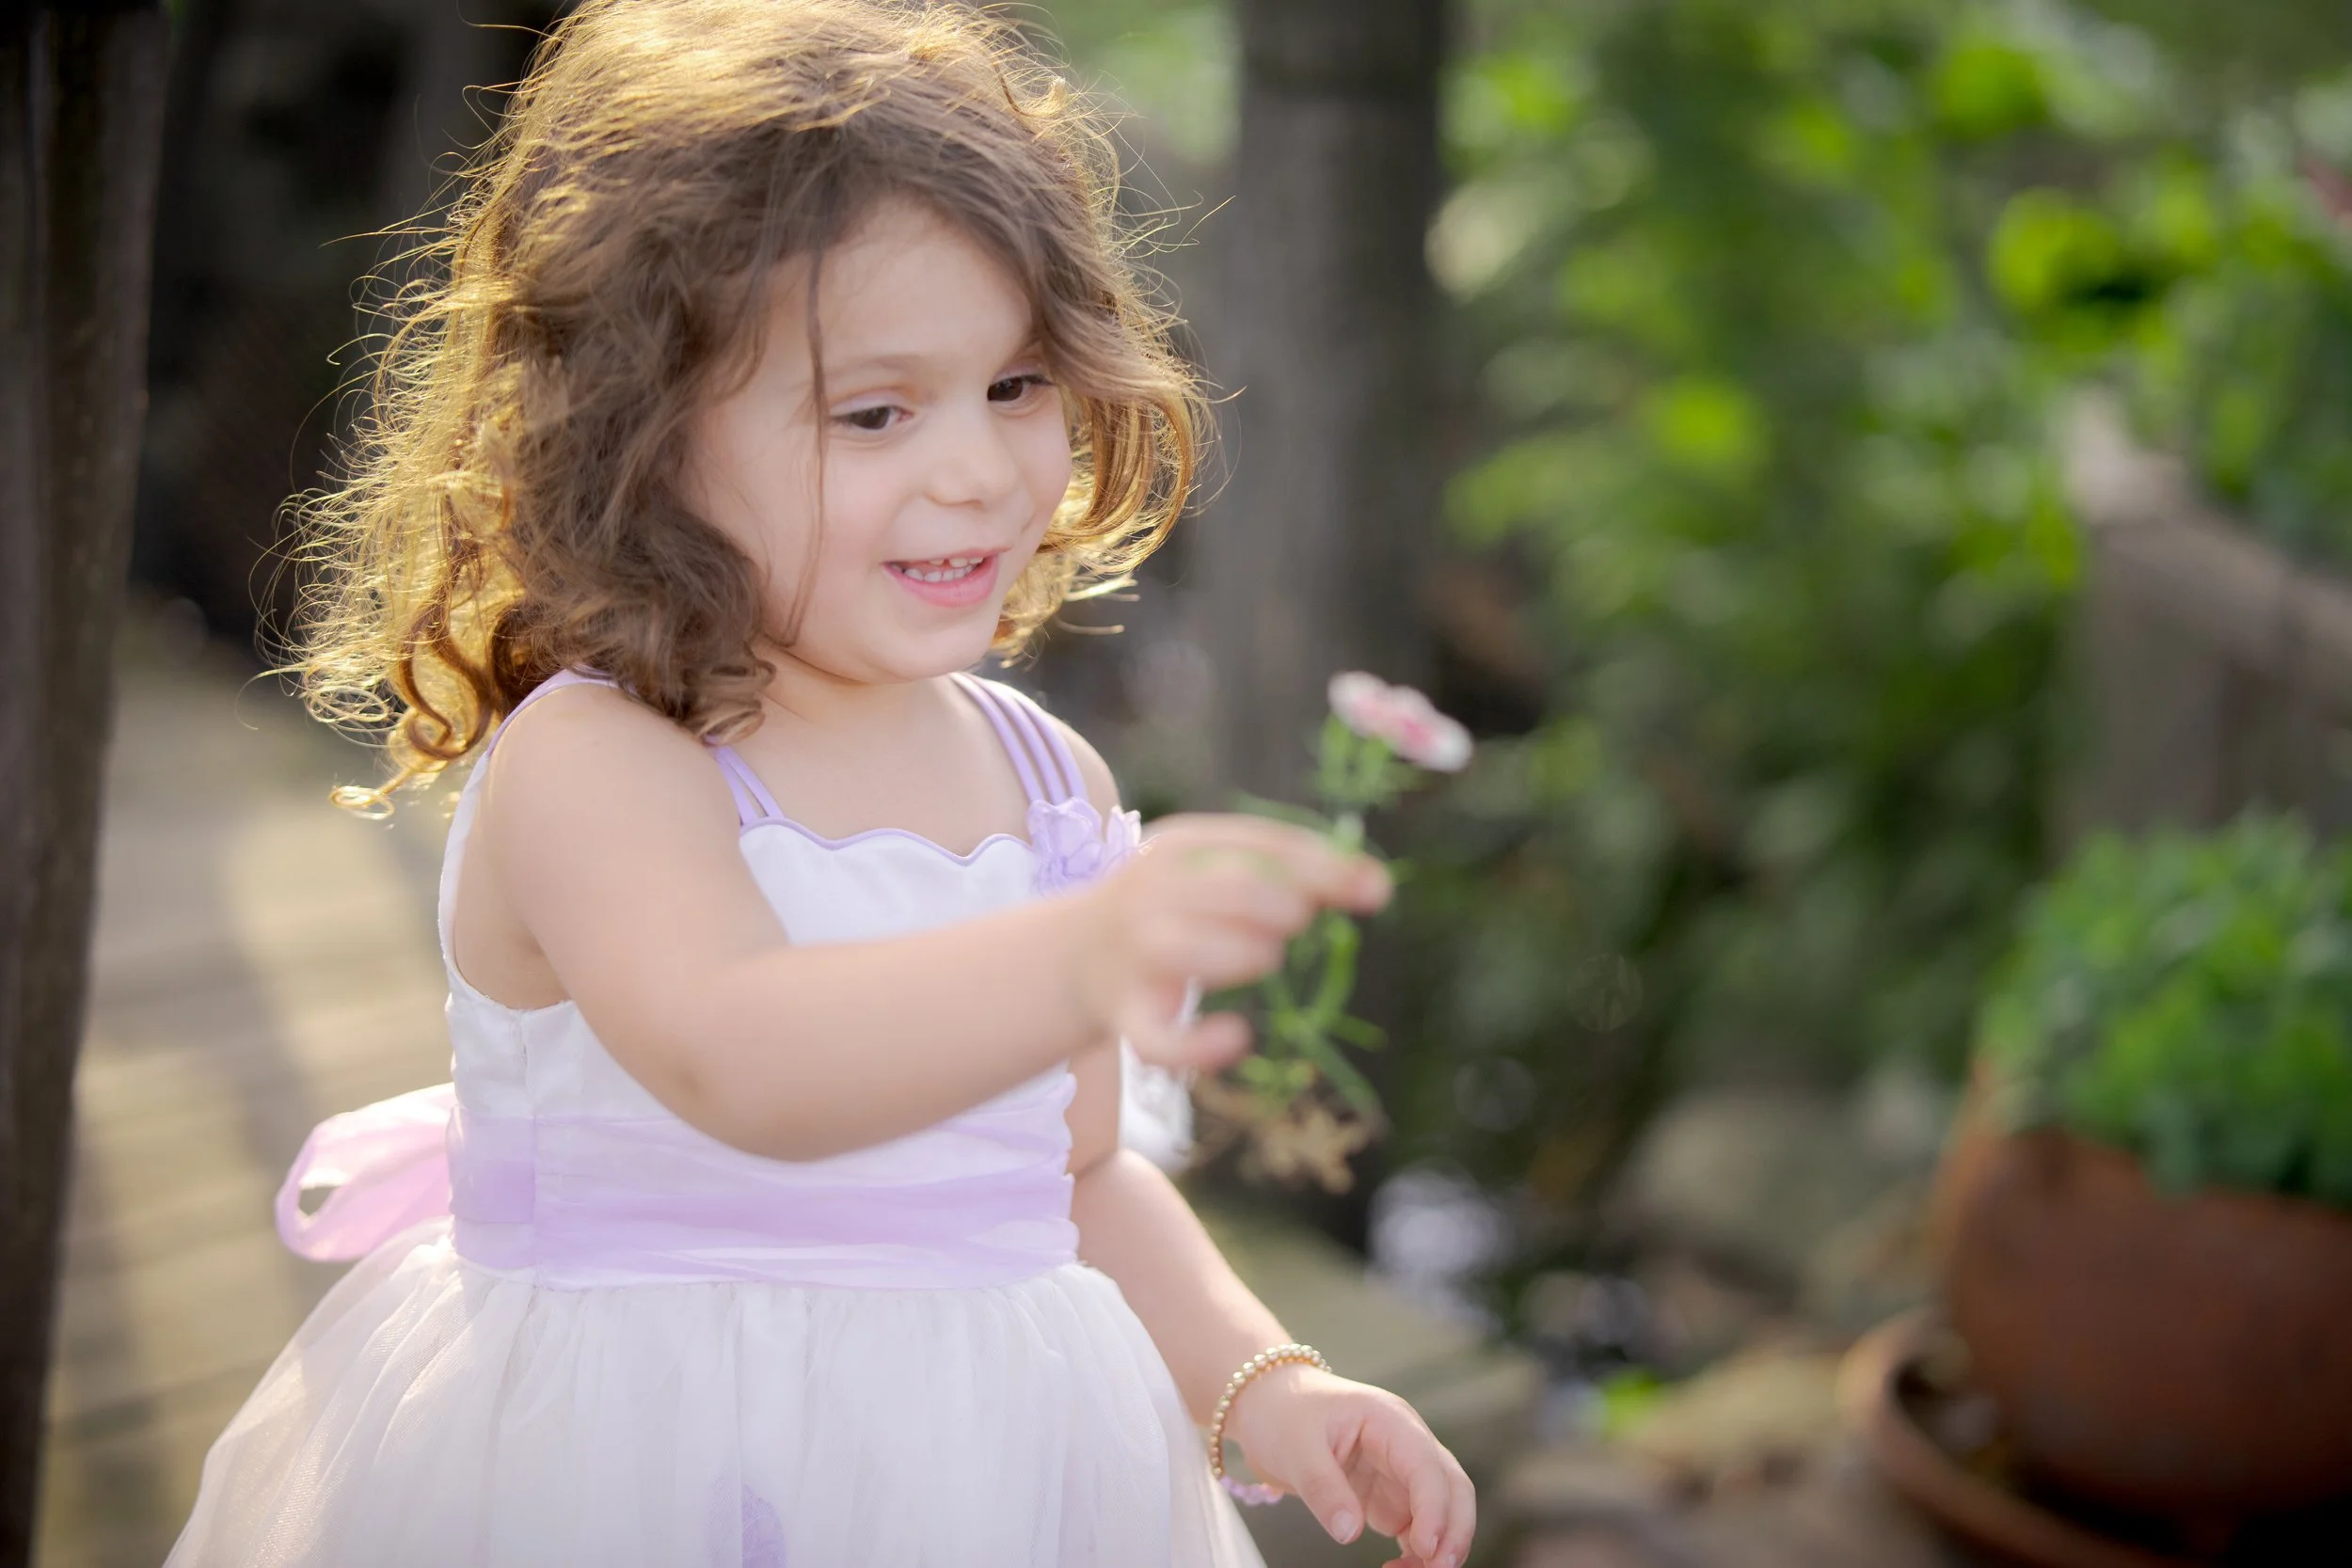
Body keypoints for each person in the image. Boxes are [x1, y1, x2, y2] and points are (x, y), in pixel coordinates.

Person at [162, 3, 1477, 1565]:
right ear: (642, 436)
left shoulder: (1045, 777)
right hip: (630, 1463)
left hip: (993, 1485)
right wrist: (1077, 960)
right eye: (875, 412)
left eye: (1018, 385)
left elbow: (1076, 1173)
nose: (980, 471)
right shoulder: (607, 754)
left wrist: (1271, 1384)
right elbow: (744, 1058)